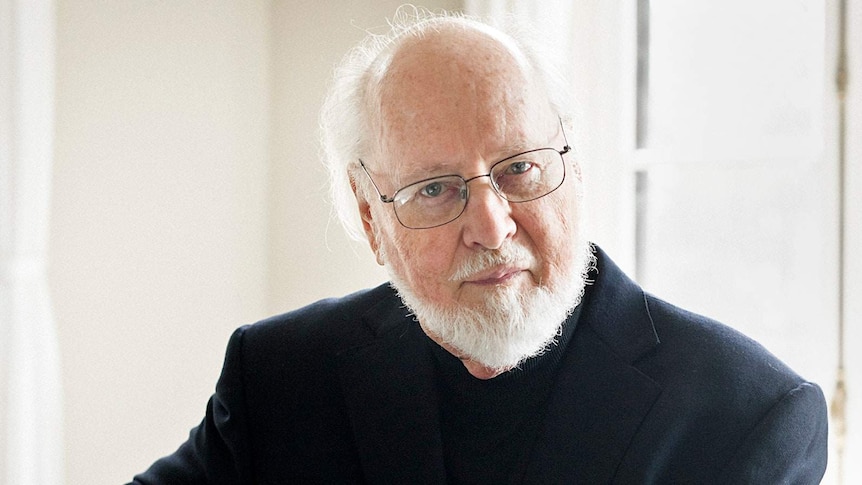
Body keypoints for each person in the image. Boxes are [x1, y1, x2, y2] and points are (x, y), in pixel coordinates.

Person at [130, 8, 828, 484]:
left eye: (519, 168)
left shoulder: (749, 416)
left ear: (573, 169)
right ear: (372, 222)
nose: (492, 227)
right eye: (435, 189)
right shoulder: (279, 376)